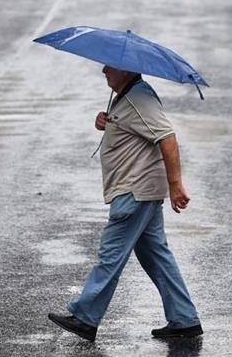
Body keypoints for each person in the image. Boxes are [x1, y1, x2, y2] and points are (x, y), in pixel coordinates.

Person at [48, 66, 202, 342]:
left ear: (128, 70)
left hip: (134, 192)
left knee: (111, 256)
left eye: (110, 67)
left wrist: (176, 183)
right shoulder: (127, 96)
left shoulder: (138, 98)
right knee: (156, 256)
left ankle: (85, 316)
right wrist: (106, 122)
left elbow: (167, 137)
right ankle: (184, 318)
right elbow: (133, 129)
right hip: (140, 191)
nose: (104, 70)